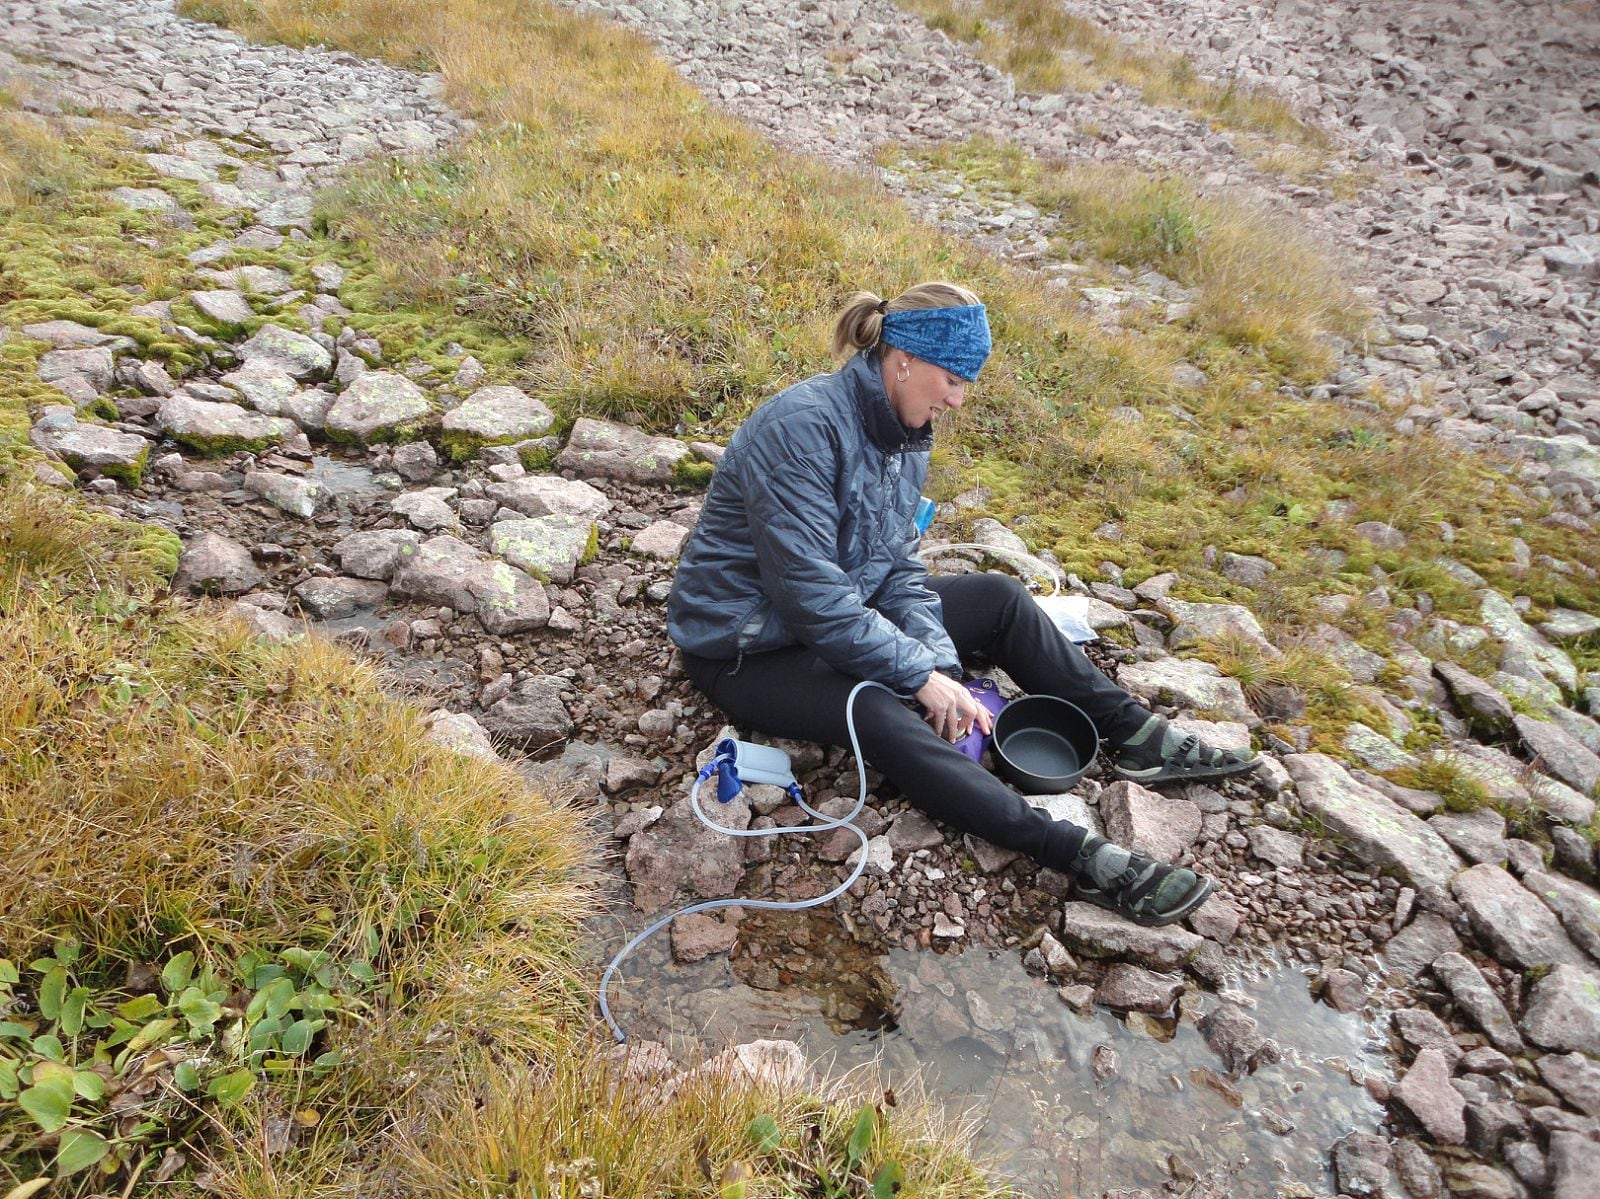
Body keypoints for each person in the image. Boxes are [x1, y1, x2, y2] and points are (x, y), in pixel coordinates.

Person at [666, 282, 1258, 927]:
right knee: (878, 707)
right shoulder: (802, 428)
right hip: (745, 645)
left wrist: (940, 665)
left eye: (965, 382)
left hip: (833, 615)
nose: (958, 398)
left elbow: (893, 568)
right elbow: (812, 598)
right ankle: (1078, 855)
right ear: (903, 361)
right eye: (951, 379)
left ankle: (1137, 737)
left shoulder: (903, 434)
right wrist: (917, 675)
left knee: (999, 598)